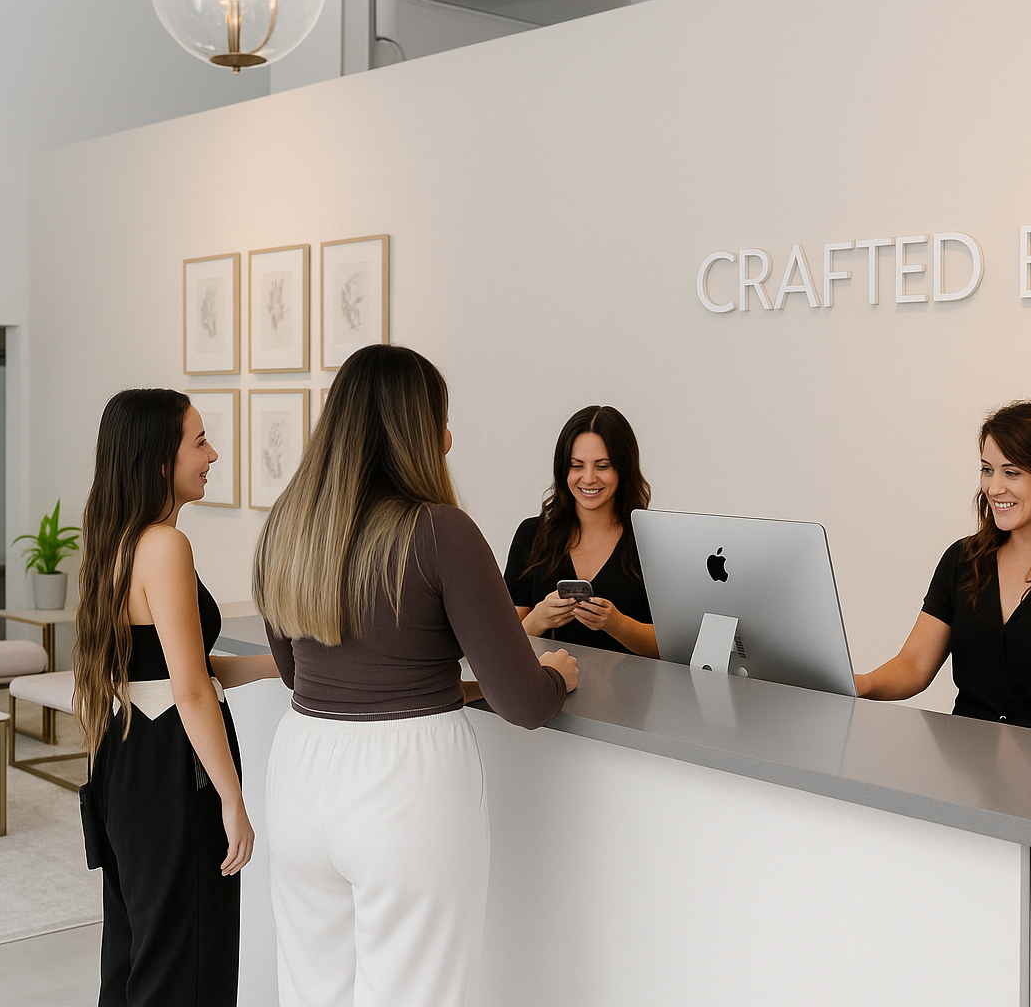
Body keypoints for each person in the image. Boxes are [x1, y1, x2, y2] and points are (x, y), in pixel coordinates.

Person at [251, 344, 578, 1007]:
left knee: (311, 990)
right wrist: (560, 675)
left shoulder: (287, 525)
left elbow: (296, 672)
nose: (450, 436)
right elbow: (522, 701)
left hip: (301, 772)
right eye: (441, 419)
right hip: (408, 785)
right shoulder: (441, 531)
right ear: (415, 431)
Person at [74, 389, 278, 1007]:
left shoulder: (117, 540)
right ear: (160, 458)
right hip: (172, 769)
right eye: (199, 441)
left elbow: (167, 668)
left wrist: (279, 666)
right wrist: (232, 797)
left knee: (140, 953)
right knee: (187, 962)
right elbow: (189, 691)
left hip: (129, 756)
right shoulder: (164, 545)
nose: (212, 454)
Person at [855, 400, 1031, 729]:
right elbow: (913, 665)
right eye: (987, 469)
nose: (994, 488)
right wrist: (860, 684)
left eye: (1012, 472)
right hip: (969, 770)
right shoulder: (963, 560)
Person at [504, 405, 658, 658]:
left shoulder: (652, 542)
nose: (588, 478)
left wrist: (617, 624)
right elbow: (501, 644)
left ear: (623, 469)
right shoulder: (531, 535)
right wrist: (539, 619)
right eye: (577, 466)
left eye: (602, 466)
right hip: (548, 692)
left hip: (633, 693)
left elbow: (671, 650)